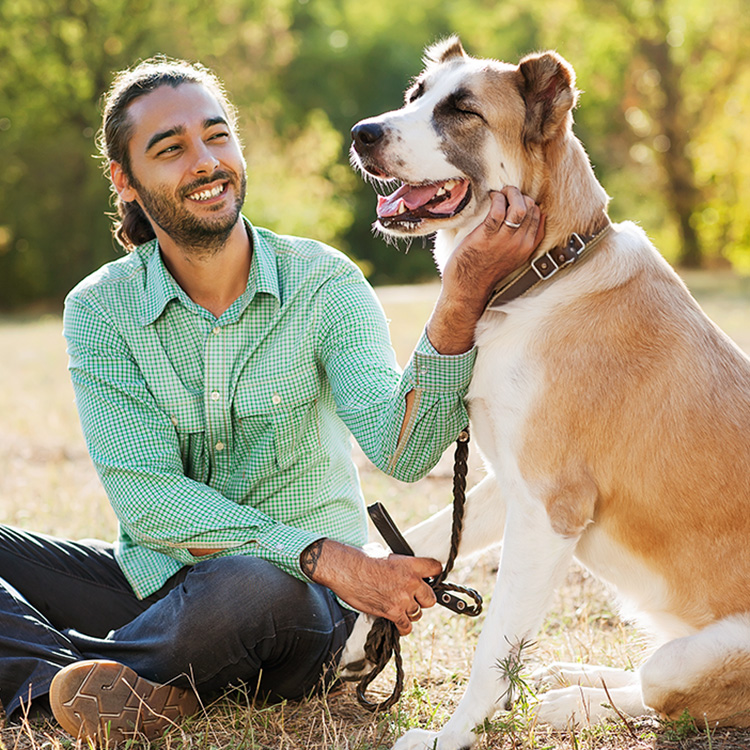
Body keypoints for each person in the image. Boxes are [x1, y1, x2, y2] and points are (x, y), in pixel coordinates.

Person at [0, 57, 543, 742]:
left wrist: (461, 297)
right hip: (159, 583)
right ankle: (83, 688)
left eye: (217, 136)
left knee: (249, 584)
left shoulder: (324, 284)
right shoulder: (101, 310)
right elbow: (151, 500)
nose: (205, 161)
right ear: (126, 181)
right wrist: (334, 556)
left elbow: (402, 453)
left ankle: (87, 670)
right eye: (170, 149)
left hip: (298, 608)